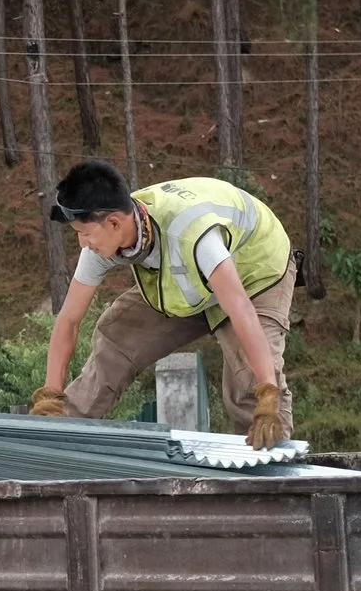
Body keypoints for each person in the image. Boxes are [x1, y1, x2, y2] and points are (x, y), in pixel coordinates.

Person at [32, 159, 296, 450]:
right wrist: (50, 395)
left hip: (253, 275)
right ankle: (59, 431)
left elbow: (240, 308)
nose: (83, 243)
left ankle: (274, 468)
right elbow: (69, 319)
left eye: (84, 234)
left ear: (114, 223)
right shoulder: (106, 236)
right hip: (188, 282)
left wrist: (268, 393)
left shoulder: (192, 234)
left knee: (248, 383)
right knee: (117, 335)